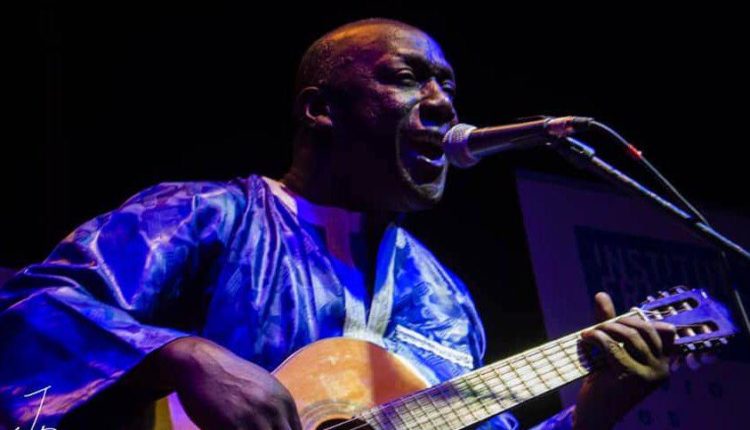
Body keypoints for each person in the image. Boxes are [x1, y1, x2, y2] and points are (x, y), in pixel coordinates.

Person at [0, 19, 676, 429]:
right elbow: (25, 309)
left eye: (447, 86)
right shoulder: (207, 217)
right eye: (408, 78)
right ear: (320, 109)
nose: (442, 104)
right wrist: (182, 356)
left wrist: (591, 414)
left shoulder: (445, 301)